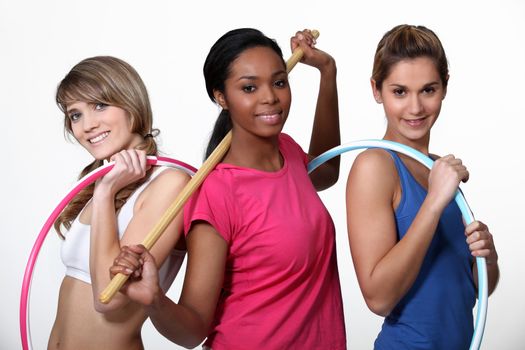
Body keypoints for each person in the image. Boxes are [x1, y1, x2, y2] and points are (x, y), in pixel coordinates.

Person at [111, 28, 346, 349]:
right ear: (220, 97)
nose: (270, 97)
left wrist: (327, 72)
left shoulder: (287, 151)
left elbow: (328, 169)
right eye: (249, 87)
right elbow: (194, 330)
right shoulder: (217, 193)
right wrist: (155, 300)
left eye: (279, 82)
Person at [345, 24, 500, 349]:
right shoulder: (375, 166)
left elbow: (474, 289)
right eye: (399, 91)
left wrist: (486, 259)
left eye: (428, 90)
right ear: (377, 90)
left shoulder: (439, 167)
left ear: (445, 86)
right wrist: (433, 202)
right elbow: (378, 298)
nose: (415, 108)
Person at [48, 56, 191, 350]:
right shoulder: (102, 182)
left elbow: (108, 296)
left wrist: (105, 194)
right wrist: (104, 189)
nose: (87, 125)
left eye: (100, 105)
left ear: (130, 103)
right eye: (75, 115)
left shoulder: (169, 184)